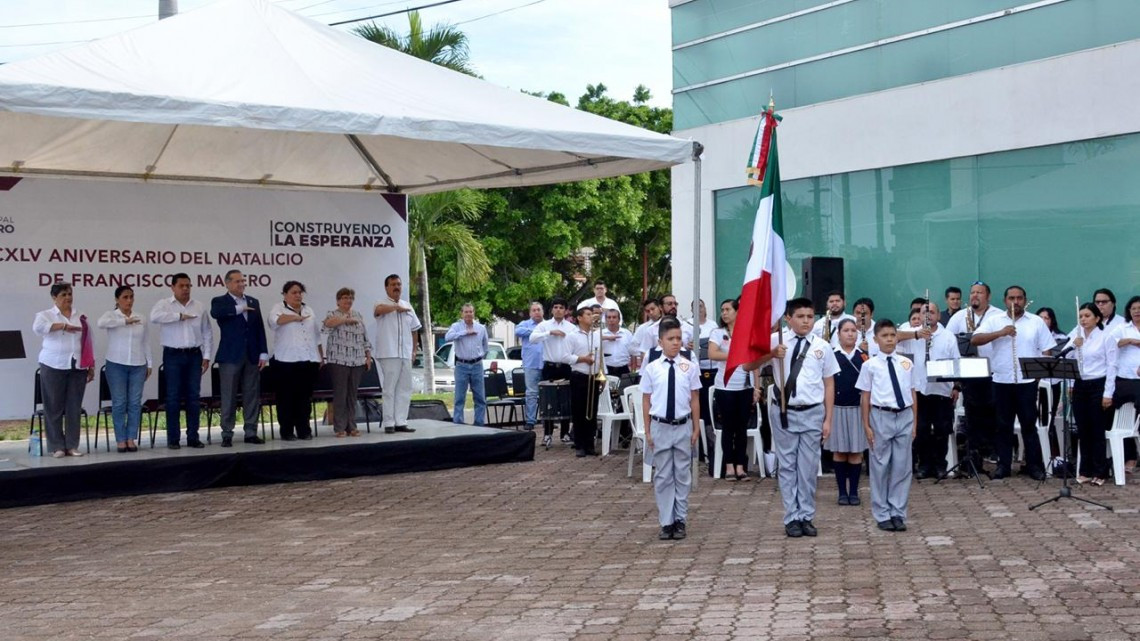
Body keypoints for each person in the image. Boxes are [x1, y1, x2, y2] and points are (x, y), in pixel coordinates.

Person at [754, 297, 839, 538]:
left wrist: (828, 419)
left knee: (808, 467)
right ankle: (791, 516)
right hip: (784, 411)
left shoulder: (821, 346)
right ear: (788, 318)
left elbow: (829, 383)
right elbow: (748, 365)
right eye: (800, 317)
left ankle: (806, 516)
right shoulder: (776, 340)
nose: (805, 321)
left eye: (809, 317)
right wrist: (771, 354)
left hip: (812, 411)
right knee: (788, 465)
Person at [971, 285, 1053, 480]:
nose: (1015, 302)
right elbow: (975, 339)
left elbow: (1047, 349)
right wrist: (1000, 333)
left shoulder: (1036, 322)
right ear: (1005, 300)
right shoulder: (994, 320)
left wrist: (1038, 375)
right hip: (1002, 380)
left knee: (1029, 425)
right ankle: (1004, 466)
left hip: (1027, 382)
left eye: (1019, 298)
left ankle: (1034, 466)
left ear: (1025, 300)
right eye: (1011, 298)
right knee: (1002, 425)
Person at [639, 317, 702, 541]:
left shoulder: (689, 366)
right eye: (670, 339)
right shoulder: (653, 367)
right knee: (664, 475)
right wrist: (647, 430)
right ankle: (666, 521)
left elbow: (694, 397)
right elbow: (646, 400)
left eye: (678, 338)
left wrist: (696, 427)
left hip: (682, 425)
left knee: (682, 474)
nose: (675, 343)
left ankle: (680, 519)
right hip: (660, 426)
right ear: (661, 341)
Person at [856, 319, 917, 532]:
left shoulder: (906, 363)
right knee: (880, 465)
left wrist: (914, 421)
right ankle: (881, 513)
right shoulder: (869, 365)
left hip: (904, 415)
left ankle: (898, 512)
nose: (890, 339)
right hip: (881, 415)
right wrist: (866, 424)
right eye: (885, 336)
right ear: (876, 339)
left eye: (892, 335)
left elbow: (912, 392)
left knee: (902, 466)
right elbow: (866, 396)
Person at [945, 281, 1004, 470]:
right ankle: (974, 456)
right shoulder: (960, 316)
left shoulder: (998, 316)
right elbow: (947, 341)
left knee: (993, 413)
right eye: (972, 292)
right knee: (973, 415)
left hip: (993, 372)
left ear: (988, 296)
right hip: (970, 372)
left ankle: (993, 451)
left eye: (979, 292)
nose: (974, 296)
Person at [32, 282, 94, 458]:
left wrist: (91, 365)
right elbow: (37, 328)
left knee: (74, 407)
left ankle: (72, 445)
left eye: (69, 294)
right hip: (53, 365)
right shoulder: (45, 315)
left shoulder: (79, 316)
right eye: (63, 295)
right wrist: (62, 326)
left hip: (77, 366)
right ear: (54, 297)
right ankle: (56, 446)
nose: (68, 298)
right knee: (54, 407)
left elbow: (89, 341)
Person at [150, 273, 212, 449]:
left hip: (194, 355)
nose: (185, 289)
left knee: (193, 397)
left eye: (188, 286)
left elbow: (207, 332)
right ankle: (173, 439)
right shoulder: (164, 305)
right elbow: (154, 317)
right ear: (173, 287)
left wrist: (207, 356)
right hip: (173, 355)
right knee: (173, 397)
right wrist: (179, 316)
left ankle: (193, 437)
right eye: (182, 286)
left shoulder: (199, 306)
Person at [899, 301, 959, 479]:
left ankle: (940, 465)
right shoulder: (912, 333)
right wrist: (916, 334)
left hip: (941, 389)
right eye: (924, 312)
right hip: (918, 389)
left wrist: (956, 386)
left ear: (938, 316)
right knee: (921, 429)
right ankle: (924, 465)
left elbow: (955, 362)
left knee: (942, 429)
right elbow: (893, 337)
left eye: (932, 312)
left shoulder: (947, 336)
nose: (928, 315)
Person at [211, 269, 269, 447]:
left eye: (243, 281)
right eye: (237, 281)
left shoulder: (253, 301)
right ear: (227, 283)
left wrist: (263, 352)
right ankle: (227, 433)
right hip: (230, 355)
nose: (242, 284)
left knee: (251, 393)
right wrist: (239, 308)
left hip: (251, 355)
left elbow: (259, 328)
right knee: (228, 395)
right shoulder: (220, 301)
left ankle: (251, 431)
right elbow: (217, 314)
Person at [1063, 302, 1117, 485]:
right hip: (1080, 384)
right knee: (1082, 429)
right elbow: (1065, 356)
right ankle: (1085, 470)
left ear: (1097, 318)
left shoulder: (1106, 336)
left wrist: (1108, 393)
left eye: (1087, 316)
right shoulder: (1076, 336)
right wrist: (1075, 345)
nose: (1083, 320)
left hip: (1098, 384)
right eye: (1081, 316)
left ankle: (1100, 472)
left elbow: (1112, 365)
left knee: (1096, 429)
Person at [97, 286, 152, 453]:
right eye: (125, 297)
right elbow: (101, 323)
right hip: (116, 364)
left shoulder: (141, 317)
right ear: (117, 299)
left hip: (137, 364)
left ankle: (131, 438)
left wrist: (149, 363)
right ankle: (120, 439)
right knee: (119, 402)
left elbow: (146, 342)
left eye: (131, 297)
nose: (129, 301)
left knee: (135, 403)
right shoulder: (111, 316)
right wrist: (124, 321)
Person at [707, 298, 756, 481]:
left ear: (737, 312)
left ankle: (740, 466)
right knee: (728, 427)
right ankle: (728, 466)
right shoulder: (718, 333)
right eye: (722, 310)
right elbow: (712, 353)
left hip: (744, 385)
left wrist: (757, 386)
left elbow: (754, 361)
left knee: (742, 428)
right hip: (725, 386)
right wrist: (735, 355)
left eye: (728, 309)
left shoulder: (746, 332)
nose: (724, 313)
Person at [268, 281, 323, 441]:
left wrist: (320, 356)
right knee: (286, 398)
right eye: (294, 292)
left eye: (300, 292)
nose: (298, 295)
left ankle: (304, 430)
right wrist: (295, 317)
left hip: (308, 359)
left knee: (304, 398)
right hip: (286, 361)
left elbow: (316, 336)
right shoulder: (278, 308)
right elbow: (275, 321)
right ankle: (286, 431)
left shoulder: (309, 309)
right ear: (285, 294)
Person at [373, 274, 421, 434]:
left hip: (405, 353)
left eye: (399, 284)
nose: (397, 287)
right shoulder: (381, 303)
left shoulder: (407, 305)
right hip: (389, 352)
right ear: (386, 287)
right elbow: (378, 311)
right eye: (393, 284)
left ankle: (401, 421)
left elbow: (415, 329)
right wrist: (395, 308)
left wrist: (414, 350)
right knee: (389, 389)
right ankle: (389, 422)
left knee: (405, 388)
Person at [322, 287, 371, 437]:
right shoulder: (332, 314)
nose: (348, 300)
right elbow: (327, 326)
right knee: (340, 394)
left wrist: (368, 356)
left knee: (352, 394)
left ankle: (352, 425)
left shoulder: (358, 315)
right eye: (344, 298)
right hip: (339, 360)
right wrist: (346, 319)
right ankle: (339, 427)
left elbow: (365, 338)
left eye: (350, 298)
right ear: (338, 301)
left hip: (356, 360)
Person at [827, 319, 866, 504]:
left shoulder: (864, 356)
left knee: (856, 451)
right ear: (838, 334)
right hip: (837, 408)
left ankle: (854, 492)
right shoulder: (831, 355)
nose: (850, 334)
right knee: (840, 451)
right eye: (846, 330)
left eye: (853, 330)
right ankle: (842, 492)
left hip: (858, 409)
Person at [530, 297, 576, 447]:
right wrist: (550, 333)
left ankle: (564, 433)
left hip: (566, 366)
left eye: (561, 307)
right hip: (549, 366)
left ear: (566, 310)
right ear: (551, 310)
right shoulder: (544, 325)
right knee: (548, 400)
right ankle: (547, 434)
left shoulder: (571, 327)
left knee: (566, 400)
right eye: (555, 307)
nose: (558, 310)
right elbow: (532, 339)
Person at [566, 307, 603, 457]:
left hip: (593, 376)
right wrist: (582, 359)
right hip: (579, 376)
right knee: (579, 411)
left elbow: (600, 357)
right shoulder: (572, 336)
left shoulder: (596, 335)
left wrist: (601, 376)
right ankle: (579, 444)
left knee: (592, 412)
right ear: (579, 318)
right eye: (588, 314)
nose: (591, 317)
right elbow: (565, 357)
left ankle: (590, 444)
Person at [444, 303, 489, 426]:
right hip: (461, 365)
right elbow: (447, 337)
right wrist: (464, 332)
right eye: (466, 312)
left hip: (477, 365)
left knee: (480, 398)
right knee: (459, 397)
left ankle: (479, 424)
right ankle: (458, 424)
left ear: (474, 313)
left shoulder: (481, 328)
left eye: (471, 312)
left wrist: (480, 356)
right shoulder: (456, 326)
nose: (468, 314)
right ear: (462, 313)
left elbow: (486, 346)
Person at [1111, 296, 1140, 473]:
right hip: (1123, 379)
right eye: (1133, 308)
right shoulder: (1122, 328)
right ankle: (1129, 456)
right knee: (1122, 418)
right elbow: (1112, 344)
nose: (1137, 311)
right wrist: (1130, 340)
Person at [1036, 306, 1068, 457]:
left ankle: (1052, 453)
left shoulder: (1060, 339)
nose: (1043, 321)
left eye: (1046, 318)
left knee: (1049, 416)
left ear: (1052, 320)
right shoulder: (1031, 335)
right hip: (1034, 382)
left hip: (1053, 383)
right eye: (1040, 318)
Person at [514, 301, 545, 431]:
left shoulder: (548, 325)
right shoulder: (524, 324)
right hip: (531, 364)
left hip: (547, 364)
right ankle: (531, 420)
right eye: (534, 310)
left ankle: (546, 420)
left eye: (539, 309)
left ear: (543, 311)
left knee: (546, 393)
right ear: (530, 312)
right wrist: (535, 331)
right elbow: (518, 331)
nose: (536, 312)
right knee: (531, 393)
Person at [637, 294, 694, 364]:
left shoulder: (687, 327)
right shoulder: (651, 330)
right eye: (669, 304)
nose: (673, 306)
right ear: (660, 307)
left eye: (675, 304)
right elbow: (645, 353)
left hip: (684, 368)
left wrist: (692, 347)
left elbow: (697, 351)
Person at [601, 308, 635, 378]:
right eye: (609, 317)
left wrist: (633, 370)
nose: (611, 319)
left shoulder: (627, 333)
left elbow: (633, 353)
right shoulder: (600, 334)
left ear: (619, 319)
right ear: (605, 320)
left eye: (614, 317)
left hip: (623, 369)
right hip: (606, 370)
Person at [630, 298, 662, 371]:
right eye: (647, 311)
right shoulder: (643, 328)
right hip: (651, 365)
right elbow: (632, 348)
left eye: (653, 309)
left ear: (659, 307)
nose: (651, 312)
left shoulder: (670, 323)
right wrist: (648, 353)